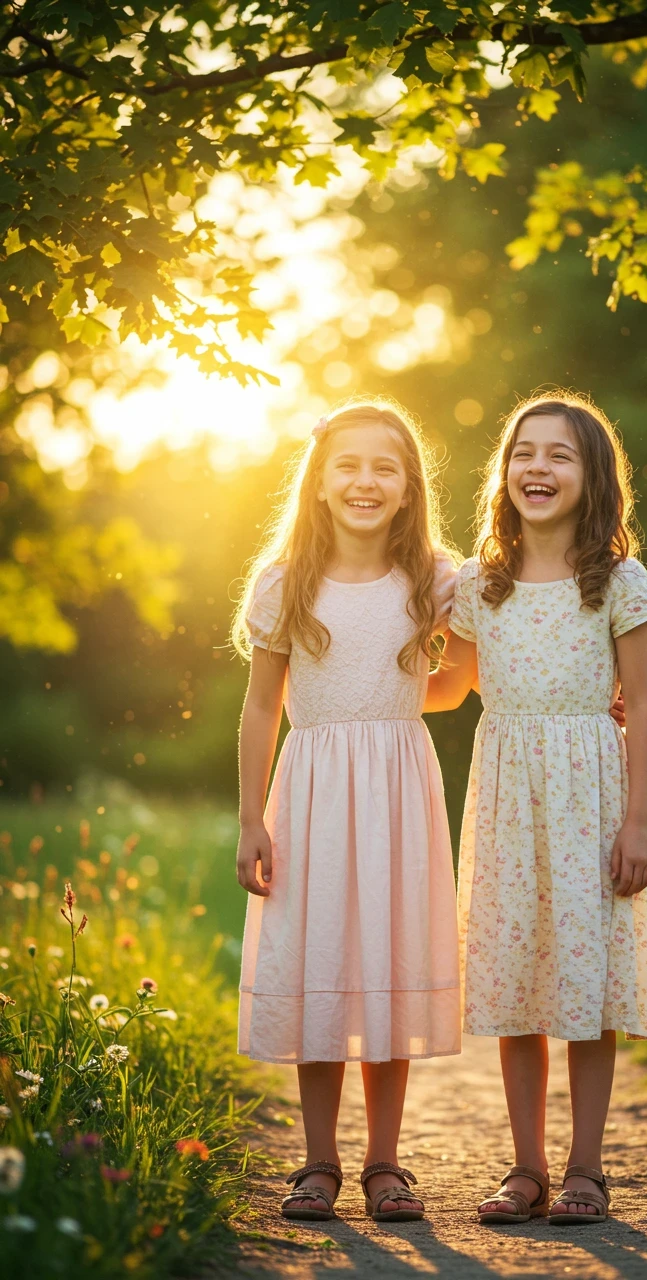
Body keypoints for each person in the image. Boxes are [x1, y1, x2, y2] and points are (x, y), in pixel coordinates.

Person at [425, 392, 647, 1226]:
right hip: (507, 797)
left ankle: (587, 1169)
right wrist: (355, 683)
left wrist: (638, 823)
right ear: (504, 470)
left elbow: (646, 706)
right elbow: (453, 687)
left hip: (591, 795)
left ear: (593, 476)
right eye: (524, 452)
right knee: (516, 979)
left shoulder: (619, 581)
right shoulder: (476, 584)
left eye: (560, 455)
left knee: (585, 985)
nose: (538, 467)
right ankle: (524, 1168)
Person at [232, 400, 460, 1225]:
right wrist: (252, 819)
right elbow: (262, 707)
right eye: (349, 466)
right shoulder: (283, 581)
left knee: (390, 960)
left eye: (384, 468)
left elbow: (464, 679)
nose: (366, 481)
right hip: (313, 788)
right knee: (320, 961)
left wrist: (388, 707)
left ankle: (386, 1163)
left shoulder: (435, 578)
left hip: (398, 783)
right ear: (320, 482)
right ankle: (319, 1161)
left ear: (408, 489)